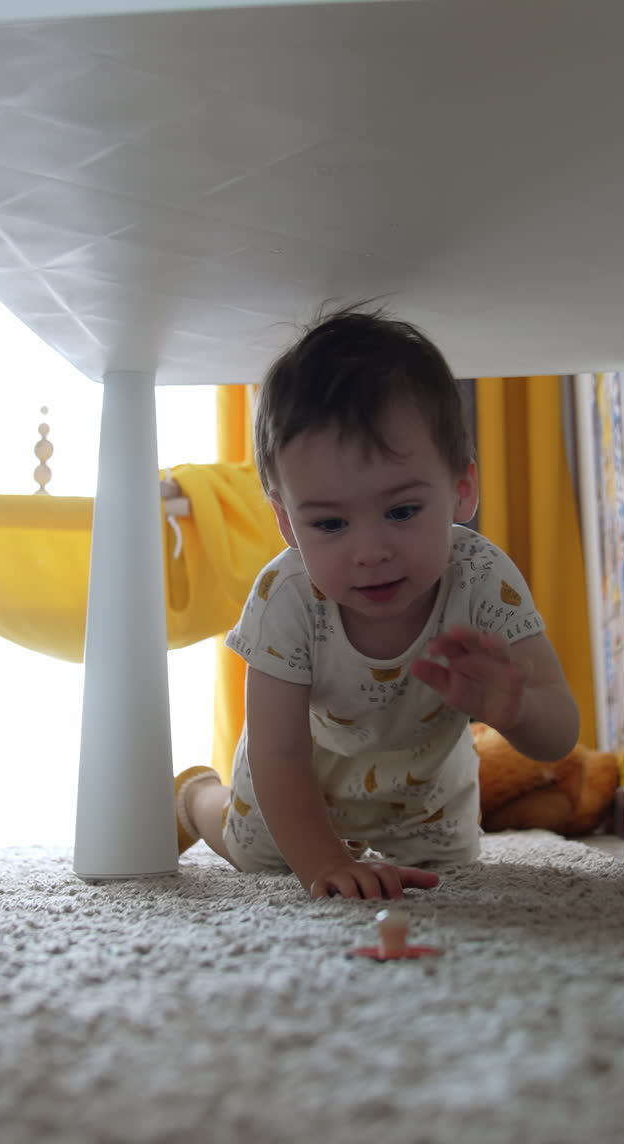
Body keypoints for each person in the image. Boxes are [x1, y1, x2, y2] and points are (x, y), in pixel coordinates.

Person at [175, 307, 579, 899]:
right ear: (287, 522)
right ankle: (193, 796)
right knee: (253, 850)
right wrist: (320, 863)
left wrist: (514, 710)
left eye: (401, 511)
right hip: (298, 786)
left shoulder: (483, 578)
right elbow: (278, 751)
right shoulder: (286, 596)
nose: (370, 551)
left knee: (450, 876)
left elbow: (559, 734)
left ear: (462, 489)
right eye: (331, 522)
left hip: (428, 800)